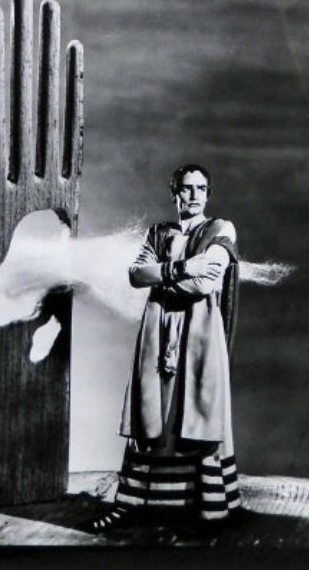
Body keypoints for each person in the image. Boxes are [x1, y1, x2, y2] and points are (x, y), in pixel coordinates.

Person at [84, 164, 240, 534]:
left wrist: (161, 277)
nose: (194, 195)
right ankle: (132, 505)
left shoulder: (221, 229)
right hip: (158, 331)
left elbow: (206, 283)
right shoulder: (159, 232)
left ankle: (203, 510)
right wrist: (183, 267)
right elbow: (135, 274)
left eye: (200, 188)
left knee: (195, 411)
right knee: (152, 410)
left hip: (199, 333)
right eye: (186, 188)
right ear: (174, 193)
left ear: (208, 193)